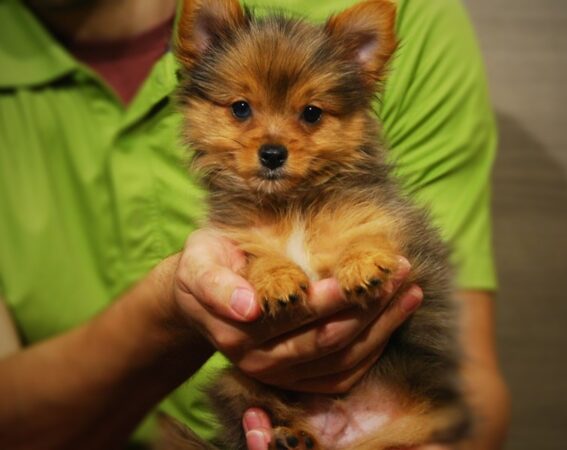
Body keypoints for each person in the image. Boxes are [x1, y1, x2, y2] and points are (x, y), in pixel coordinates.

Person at [0, 0, 510, 449]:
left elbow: (471, 382)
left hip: (402, 403)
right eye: (241, 109)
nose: (273, 142)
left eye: (310, 115)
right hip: (250, 423)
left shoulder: (422, 20)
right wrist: (171, 309)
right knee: (237, 396)